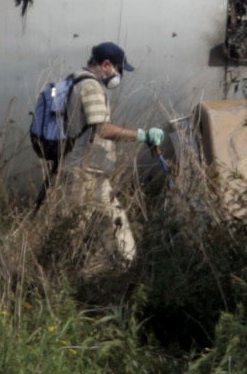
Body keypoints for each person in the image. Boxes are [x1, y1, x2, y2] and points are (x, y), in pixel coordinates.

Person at [49, 41, 162, 266]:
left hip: (93, 173)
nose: (119, 75)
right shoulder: (91, 87)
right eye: (119, 69)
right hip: (83, 173)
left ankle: (122, 271)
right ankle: (57, 276)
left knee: (116, 223)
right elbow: (102, 128)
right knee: (73, 232)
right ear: (107, 65)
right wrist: (142, 135)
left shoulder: (76, 79)